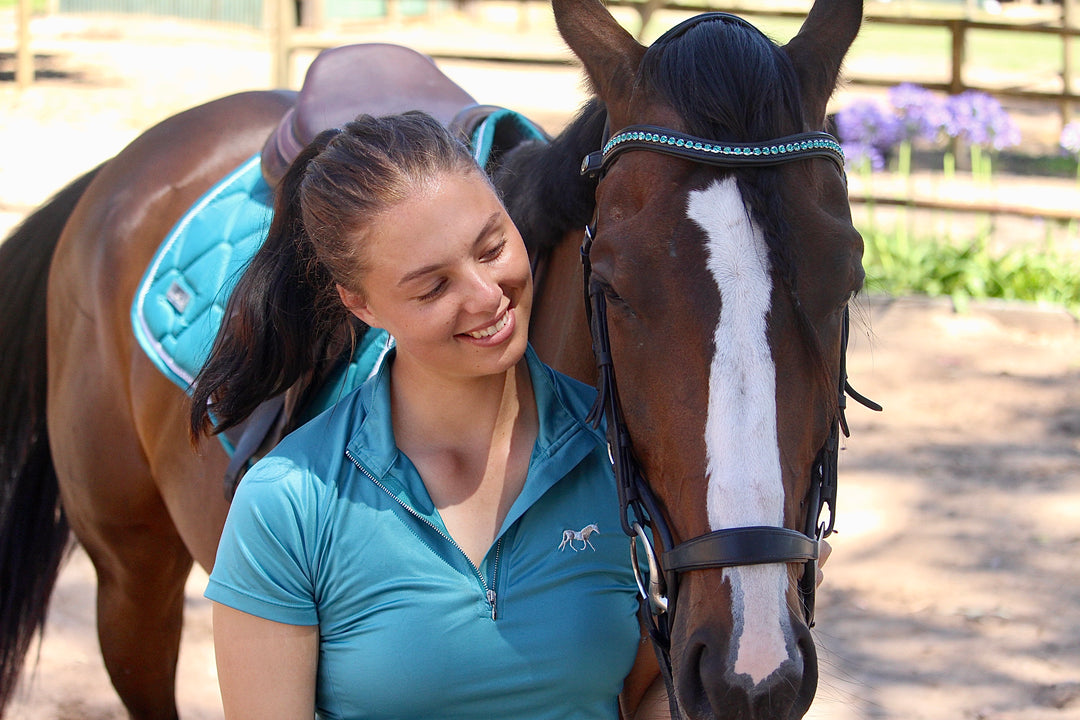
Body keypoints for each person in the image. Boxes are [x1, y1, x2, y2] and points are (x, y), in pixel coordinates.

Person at [190, 111, 668, 720]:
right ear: (360, 305)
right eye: (432, 288)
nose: (487, 296)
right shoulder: (287, 505)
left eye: (493, 247)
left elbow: (654, 690)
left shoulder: (622, 456)